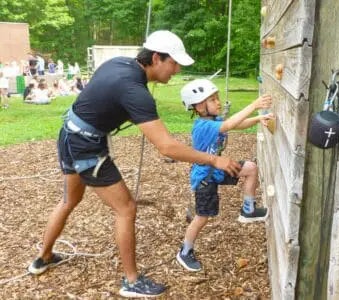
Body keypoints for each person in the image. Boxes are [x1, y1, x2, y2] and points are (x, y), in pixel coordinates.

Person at [28, 30, 241, 298]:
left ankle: (43, 257)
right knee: (126, 208)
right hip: (88, 146)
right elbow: (166, 146)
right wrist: (215, 159)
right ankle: (131, 281)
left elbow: (103, 97)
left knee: (69, 200)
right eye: (173, 63)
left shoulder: (119, 64)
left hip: (70, 132)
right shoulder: (135, 92)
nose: (175, 70)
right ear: (156, 58)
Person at [176, 79, 274, 272]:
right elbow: (230, 124)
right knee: (202, 217)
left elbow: (238, 124)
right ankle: (185, 251)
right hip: (205, 178)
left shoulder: (213, 120)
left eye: (217, 98)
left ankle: (248, 209)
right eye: (212, 100)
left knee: (251, 168)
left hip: (218, 171)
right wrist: (254, 105)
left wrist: (257, 119)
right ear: (199, 106)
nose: (218, 102)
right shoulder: (203, 126)